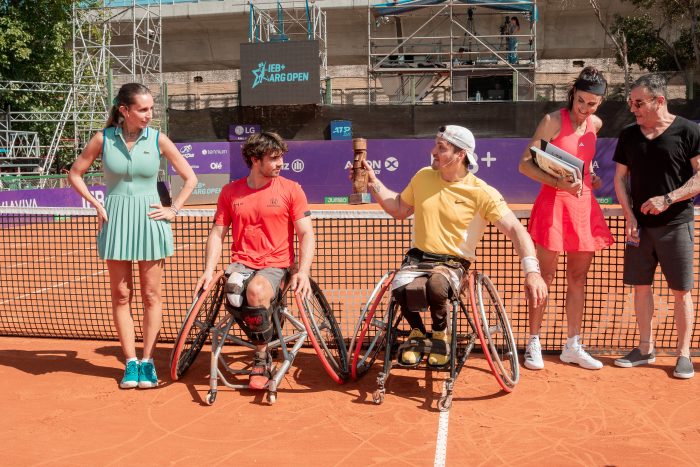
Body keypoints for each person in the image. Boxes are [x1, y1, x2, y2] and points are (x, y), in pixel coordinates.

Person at [362, 125, 547, 366]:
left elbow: (515, 230)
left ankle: (440, 335)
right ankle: (417, 333)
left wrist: (532, 271)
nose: (434, 152)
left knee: (437, 286)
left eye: (442, 148)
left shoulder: (482, 192)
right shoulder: (422, 177)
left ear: (460, 155)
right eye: (436, 145)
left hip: (453, 263)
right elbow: (399, 208)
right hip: (418, 259)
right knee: (399, 287)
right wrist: (374, 183)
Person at [69, 83, 197, 389]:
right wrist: (97, 203)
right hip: (116, 220)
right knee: (121, 294)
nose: (149, 115)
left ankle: (148, 361)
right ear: (124, 110)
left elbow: (190, 177)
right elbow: (75, 173)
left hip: (151, 221)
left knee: (151, 295)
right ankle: (130, 362)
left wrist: (173, 209)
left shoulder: (158, 139)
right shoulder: (103, 138)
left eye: (151, 108)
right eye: (142, 109)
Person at [195, 131, 314, 390]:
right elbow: (217, 233)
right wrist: (208, 270)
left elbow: (306, 234)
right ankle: (267, 329)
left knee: (256, 290)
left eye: (281, 157)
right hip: (242, 263)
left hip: (276, 265)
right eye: (273, 158)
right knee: (234, 291)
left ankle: (261, 354)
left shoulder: (292, 190)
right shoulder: (230, 192)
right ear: (254, 160)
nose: (280, 163)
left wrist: (302, 272)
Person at [518, 66, 614, 371]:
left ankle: (573, 345)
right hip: (553, 204)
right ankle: (534, 340)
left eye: (592, 104)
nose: (585, 109)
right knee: (543, 278)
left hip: (583, 206)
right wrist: (559, 183)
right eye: (581, 101)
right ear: (573, 94)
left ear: (600, 104)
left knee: (578, 278)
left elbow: (584, 166)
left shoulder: (595, 125)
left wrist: (592, 177)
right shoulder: (552, 121)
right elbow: (525, 164)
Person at [612, 73, 700, 379]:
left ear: (658, 101)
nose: (633, 108)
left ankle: (684, 354)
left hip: (676, 224)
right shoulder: (628, 135)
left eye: (638, 102)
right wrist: (630, 216)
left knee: (681, 291)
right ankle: (645, 348)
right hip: (639, 229)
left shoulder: (688, 131)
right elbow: (619, 179)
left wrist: (669, 198)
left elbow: (699, 176)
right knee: (640, 288)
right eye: (630, 102)